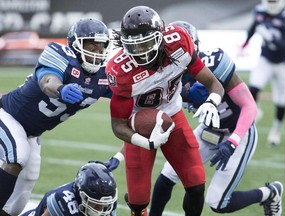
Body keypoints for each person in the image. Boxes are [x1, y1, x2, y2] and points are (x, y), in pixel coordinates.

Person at [149, 21, 284, 216]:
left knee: (217, 202)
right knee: (169, 173)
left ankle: (269, 193)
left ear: (192, 47)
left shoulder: (214, 64)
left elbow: (249, 106)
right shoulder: (168, 77)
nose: (174, 56)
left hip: (238, 132)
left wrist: (233, 141)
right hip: (208, 130)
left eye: (180, 50)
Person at [105, 6, 225, 216]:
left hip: (174, 116)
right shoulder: (121, 71)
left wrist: (211, 102)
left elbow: (214, 83)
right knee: (138, 201)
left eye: (146, 44)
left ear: (160, 37)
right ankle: (137, 208)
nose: (141, 52)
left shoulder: (179, 43)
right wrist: (146, 142)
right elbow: (118, 125)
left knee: (196, 184)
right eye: (135, 47)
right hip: (140, 126)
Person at [0, 17, 112, 216]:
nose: (96, 53)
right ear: (76, 45)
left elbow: (129, 92)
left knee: (22, 192)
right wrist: (60, 89)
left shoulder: (103, 77)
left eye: (100, 48)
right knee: (17, 156)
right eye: (90, 46)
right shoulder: (59, 54)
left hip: (32, 132)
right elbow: (47, 81)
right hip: (7, 115)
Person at [240, 0, 285, 146]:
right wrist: (244, 44)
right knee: (253, 88)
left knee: (281, 101)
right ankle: (256, 109)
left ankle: (276, 130)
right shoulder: (260, 11)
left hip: (283, 62)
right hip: (265, 59)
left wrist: (270, 36)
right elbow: (253, 27)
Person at [20, 162, 117, 216]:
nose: (102, 208)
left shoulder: (109, 203)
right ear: (82, 195)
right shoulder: (63, 200)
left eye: (104, 204)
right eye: (96, 204)